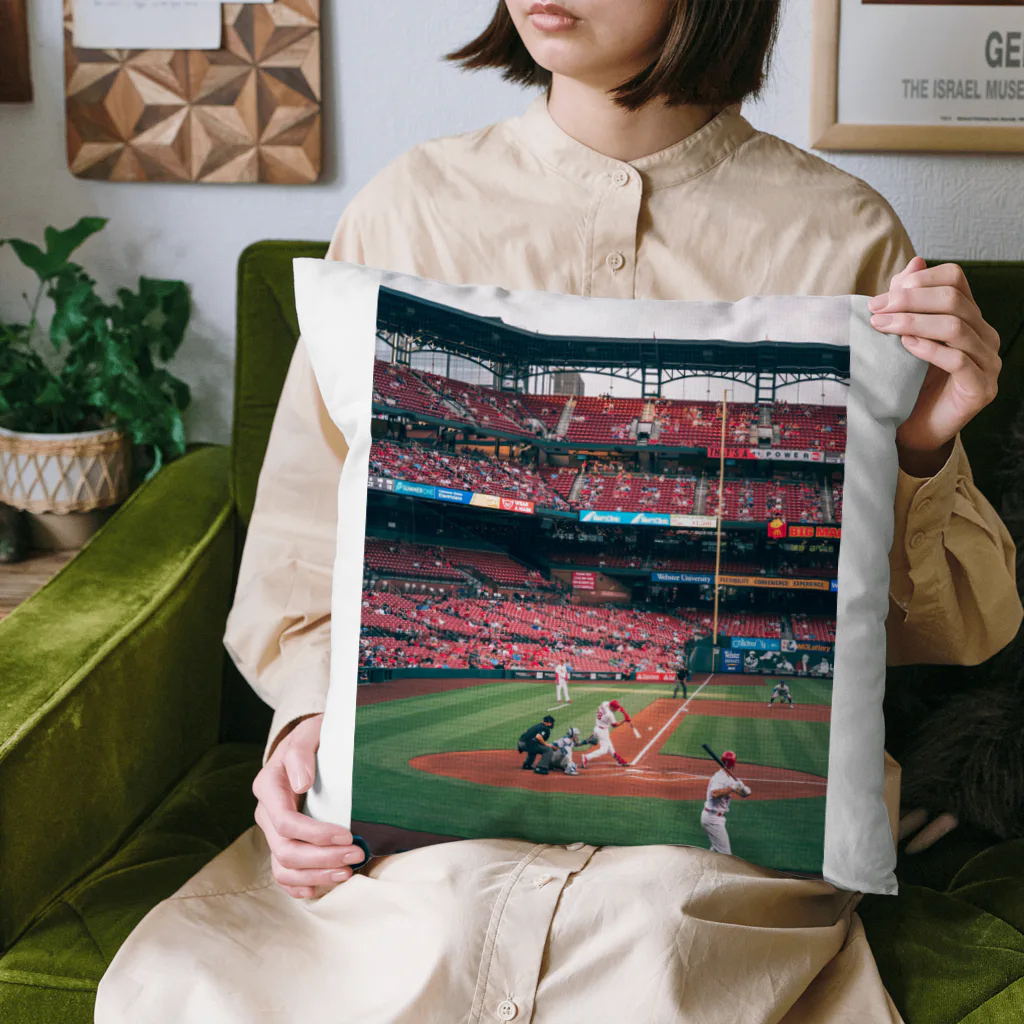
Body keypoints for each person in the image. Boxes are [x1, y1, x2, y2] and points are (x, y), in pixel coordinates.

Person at [96, 2, 1021, 1022]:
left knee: (652, 936)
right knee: (316, 962)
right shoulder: (409, 207)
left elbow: (952, 630)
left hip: (709, 873)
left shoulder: (845, 235)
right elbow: (302, 554)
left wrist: (927, 443)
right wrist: (303, 739)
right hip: (416, 856)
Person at [700, 750, 752, 855]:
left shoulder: (728, 778)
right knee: (726, 855)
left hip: (715, 818)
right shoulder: (720, 778)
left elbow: (740, 793)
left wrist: (744, 791)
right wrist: (732, 788)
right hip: (712, 819)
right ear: (734, 764)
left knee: (716, 851)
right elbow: (714, 794)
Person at [580, 699, 631, 768]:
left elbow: (619, 707)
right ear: (612, 707)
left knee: (610, 746)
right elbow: (614, 725)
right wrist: (624, 720)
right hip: (602, 731)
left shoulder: (604, 703)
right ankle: (586, 757)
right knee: (604, 750)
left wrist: (624, 712)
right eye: (615, 709)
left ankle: (619, 761)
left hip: (599, 728)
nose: (615, 710)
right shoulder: (609, 715)